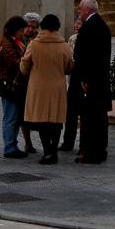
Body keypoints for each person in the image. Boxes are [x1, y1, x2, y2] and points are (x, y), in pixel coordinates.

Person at [19, 14, 73, 165]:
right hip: (57, 87)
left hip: (38, 87)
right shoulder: (64, 45)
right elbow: (69, 67)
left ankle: (48, 151)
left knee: (41, 120)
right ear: (57, 27)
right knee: (56, 120)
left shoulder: (34, 44)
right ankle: (53, 150)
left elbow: (24, 66)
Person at [72, 0, 112, 164]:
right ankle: (99, 150)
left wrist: (85, 79)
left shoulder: (91, 27)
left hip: (91, 82)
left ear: (87, 9)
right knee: (100, 118)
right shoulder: (101, 25)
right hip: (100, 80)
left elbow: (88, 56)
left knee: (91, 119)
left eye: (80, 8)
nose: (79, 11)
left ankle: (91, 153)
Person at [0, 15, 29, 159]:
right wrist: (26, 61)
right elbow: (14, 62)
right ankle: (9, 147)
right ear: (15, 30)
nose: (23, 33)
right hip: (9, 84)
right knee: (10, 116)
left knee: (15, 116)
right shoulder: (7, 43)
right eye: (21, 30)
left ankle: (12, 144)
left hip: (15, 84)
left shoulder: (16, 41)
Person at [60, 16, 84, 151]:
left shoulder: (81, 39)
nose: (76, 25)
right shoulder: (72, 39)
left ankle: (74, 142)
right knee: (71, 114)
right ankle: (68, 141)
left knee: (75, 113)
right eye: (76, 23)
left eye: (79, 23)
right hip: (73, 79)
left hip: (79, 78)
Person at [19, 11, 42, 154]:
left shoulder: (40, 40)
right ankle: (28, 143)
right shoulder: (19, 40)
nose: (31, 30)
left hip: (37, 82)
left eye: (34, 27)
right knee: (23, 114)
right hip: (24, 82)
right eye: (28, 26)